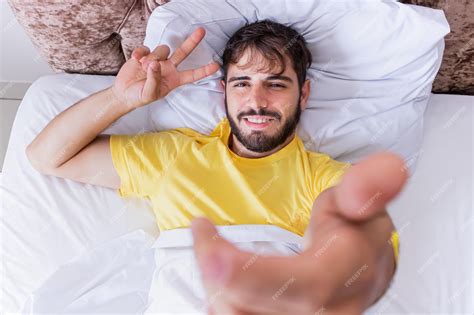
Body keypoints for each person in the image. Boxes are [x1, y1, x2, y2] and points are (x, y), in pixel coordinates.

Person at [26, 20, 407, 314]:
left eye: (276, 84)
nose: (256, 101)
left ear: (303, 94)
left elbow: (364, 246)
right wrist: (119, 99)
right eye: (242, 83)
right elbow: (47, 157)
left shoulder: (323, 176)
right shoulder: (174, 156)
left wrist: (322, 277)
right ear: (223, 90)